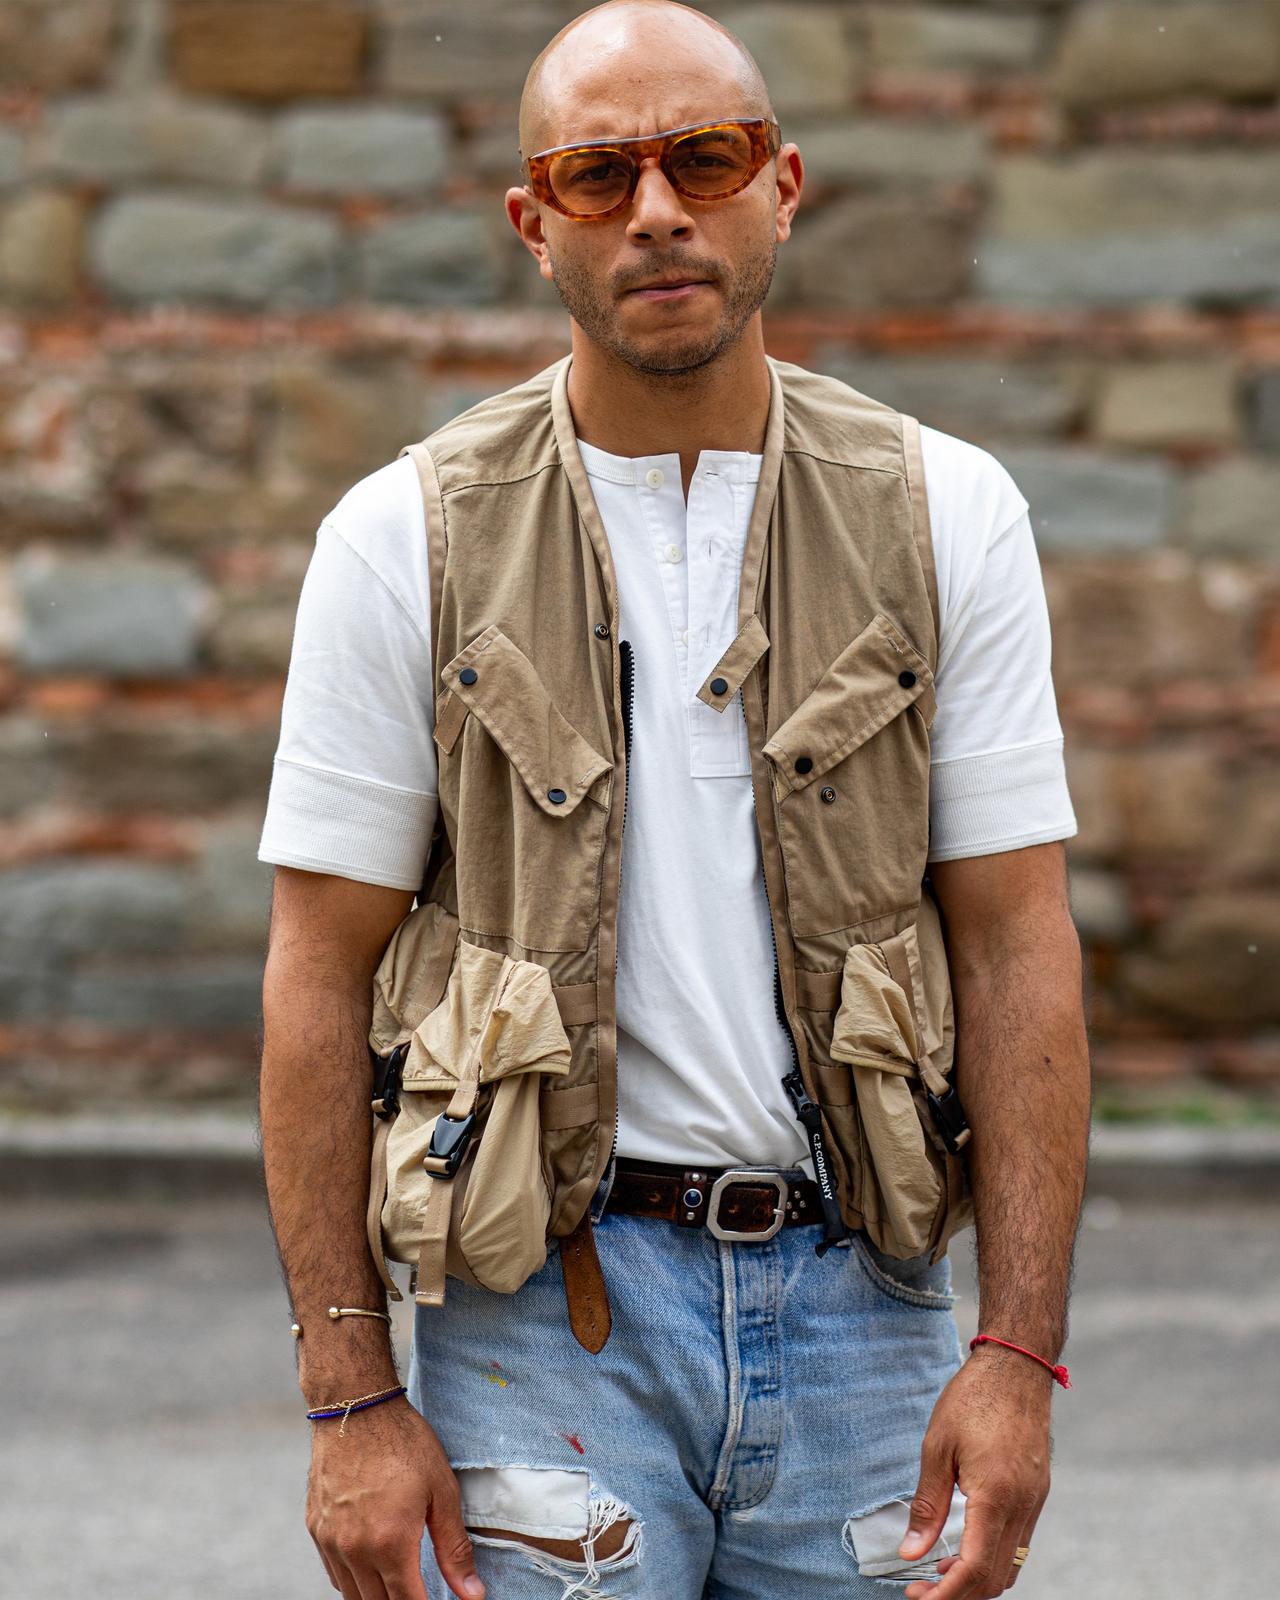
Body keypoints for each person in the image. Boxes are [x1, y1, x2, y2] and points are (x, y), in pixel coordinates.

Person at [256, 2, 1092, 1597]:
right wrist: (351, 1396)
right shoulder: (403, 538)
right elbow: (316, 970)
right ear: (533, 224)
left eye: (702, 160)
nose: (657, 210)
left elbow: (1015, 943)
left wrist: (1016, 1352)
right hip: (541, 1310)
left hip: (869, 1301)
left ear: (782, 185)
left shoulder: (947, 513)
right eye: (596, 175)